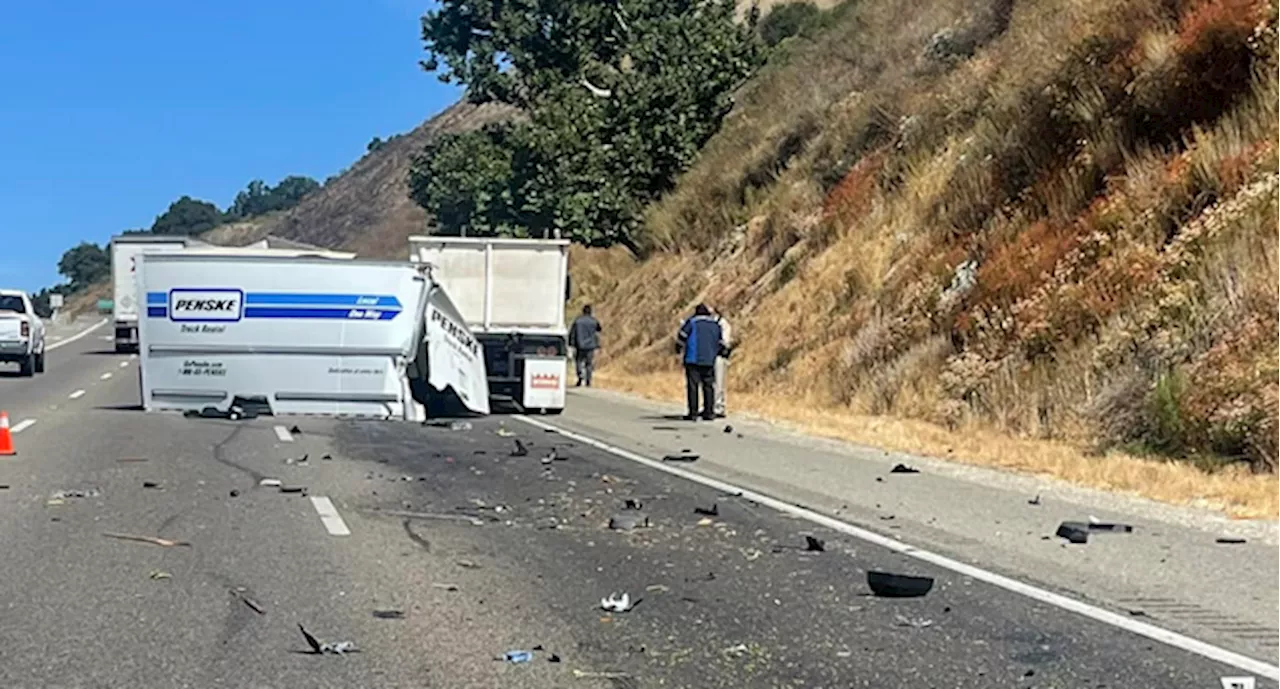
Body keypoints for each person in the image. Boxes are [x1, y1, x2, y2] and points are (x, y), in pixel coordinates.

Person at [675, 303, 723, 421]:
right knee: (708, 386)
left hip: (693, 358)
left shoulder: (692, 322)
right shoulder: (715, 325)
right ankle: (709, 412)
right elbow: (720, 342)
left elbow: (682, 336)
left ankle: (693, 412)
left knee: (693, 386)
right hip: (709, 359)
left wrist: (678, 349)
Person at [568, 304, 602, 387]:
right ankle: (588, 381)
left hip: (580, 345)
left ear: (583, 311)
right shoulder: (594, 321)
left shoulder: (578, 321)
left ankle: (580, 377)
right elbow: (599, 329)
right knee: (589, 363)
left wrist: (571, 343)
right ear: (590, 312)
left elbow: (572, 333)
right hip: (590, 345)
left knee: (579, 361)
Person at [712, 307, 733, 418]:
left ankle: (719, 407)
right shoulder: (713, 324)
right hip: (711, 355)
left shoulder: (723, 324)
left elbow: (725, 342)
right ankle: (710, 405)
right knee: (710, 382)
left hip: (719, 355)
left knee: (719, 382)